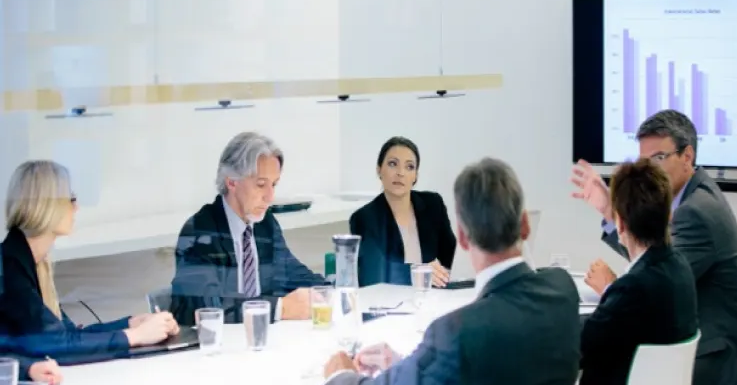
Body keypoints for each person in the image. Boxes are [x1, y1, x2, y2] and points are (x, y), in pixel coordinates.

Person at [316, 158, 581, 385]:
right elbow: (490, 368)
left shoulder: (459, 331)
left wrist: (339, 378)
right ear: (524, 224)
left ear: (464, 237)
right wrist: (412, 364)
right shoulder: (562, 291)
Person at [572, 110, 737, 385]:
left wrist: (612, 288)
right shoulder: (692, 201)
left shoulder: (697, 212)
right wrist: (611, 212)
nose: (650, 168)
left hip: (708, 369)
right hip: (691, 350)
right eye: (644, 160)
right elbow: (652, 256)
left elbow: (651, 286)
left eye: (658, 158)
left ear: (688, 156)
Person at [566, 159, 698, 385]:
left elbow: (578, 346)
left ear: (621, 223)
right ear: (669, 214)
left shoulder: (634, 288)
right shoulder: (678, 268)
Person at [0, 160, 178, 364]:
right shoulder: (10, 267)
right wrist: (134, 337)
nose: (76, 207)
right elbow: (55, 344)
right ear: (47, 205)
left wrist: (132, 324)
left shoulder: (27, 261)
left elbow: (68, 334)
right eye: (71, 198)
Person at [170, 132, 326, 326]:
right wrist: (280, 307)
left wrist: (330, 293)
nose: (270, 197)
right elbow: (209, 307)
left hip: (261, 341)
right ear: (231, 182)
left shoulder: (265, 224)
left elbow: (293, 274)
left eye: (274, 185)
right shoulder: (200, 231)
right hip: (216, 346)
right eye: (261, 185)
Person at [350, 136, 456, 287]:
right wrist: (421, 273)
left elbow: (451, 256)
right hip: (390, 301)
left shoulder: (433, 204)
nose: (400, 173)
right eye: (393, 164)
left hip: (433, 297)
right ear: (379, 170)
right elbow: (372, 274)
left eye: (409, 167)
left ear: (415, 176)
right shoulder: (365, 218)